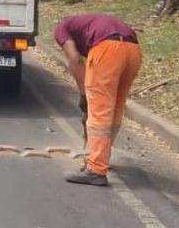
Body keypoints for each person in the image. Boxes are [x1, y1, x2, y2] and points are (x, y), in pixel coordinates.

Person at [54, 13, 143, 186]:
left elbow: (75, 59)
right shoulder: (91, 21)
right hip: (133, 51)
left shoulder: (61, 28)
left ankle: (96, 169)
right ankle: (102, 156)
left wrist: (84, 95)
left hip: (107, 50)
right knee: (115, 107)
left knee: (99, 110)